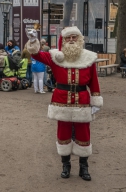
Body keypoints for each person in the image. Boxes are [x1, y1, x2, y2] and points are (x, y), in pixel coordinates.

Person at [26, 26, 103, 181]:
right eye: (68, 38)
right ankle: (65, 166)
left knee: (83, 133)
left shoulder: (88, 57)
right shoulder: (56, 57)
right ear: (63, 40)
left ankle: (84, 167)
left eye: (74, 37)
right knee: (63, 133)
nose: (71, 40)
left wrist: (96, 100)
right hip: (61, 100)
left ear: (80, 39)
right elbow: (37, 55)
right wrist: (33, 40)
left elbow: (94, 81)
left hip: (82, 100)